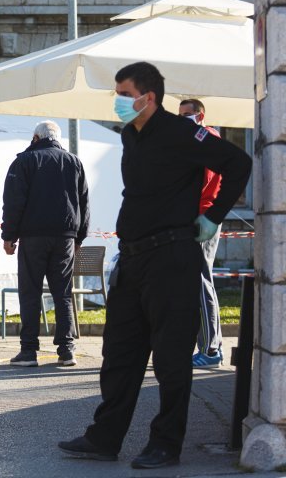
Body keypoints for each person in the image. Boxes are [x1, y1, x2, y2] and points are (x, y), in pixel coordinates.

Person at [58, 62, 251, 470]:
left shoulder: (184, 132)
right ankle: (105, 437)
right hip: (133, 258)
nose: (119, 102)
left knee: (170, 357)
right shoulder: (131, 135)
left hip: (172, 256)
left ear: (148, 97)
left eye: (124, 94)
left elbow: (238, 163)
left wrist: (213, 216)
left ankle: (166, 444)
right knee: (119, 353)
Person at [1, 120, 89, 368]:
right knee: (63, 293)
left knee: (31, 292)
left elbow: (13, 201)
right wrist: (79, 237)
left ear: (36, 138)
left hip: (33, 236)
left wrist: (9, 236)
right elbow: (84, 202)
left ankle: (29, 351)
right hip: (65, 237)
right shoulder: (74, 162)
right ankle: (66, 350)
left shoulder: (24, 161)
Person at [178, 99, 224, 367]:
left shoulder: (207, 138)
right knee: (198, 282)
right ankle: (208, 346)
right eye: (180, 114)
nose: (183, 118)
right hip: (199, 216)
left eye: (188, 114)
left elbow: (200, 181)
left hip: (202, 217)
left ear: (200, 115)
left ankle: (209, 350)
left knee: (200, 283)